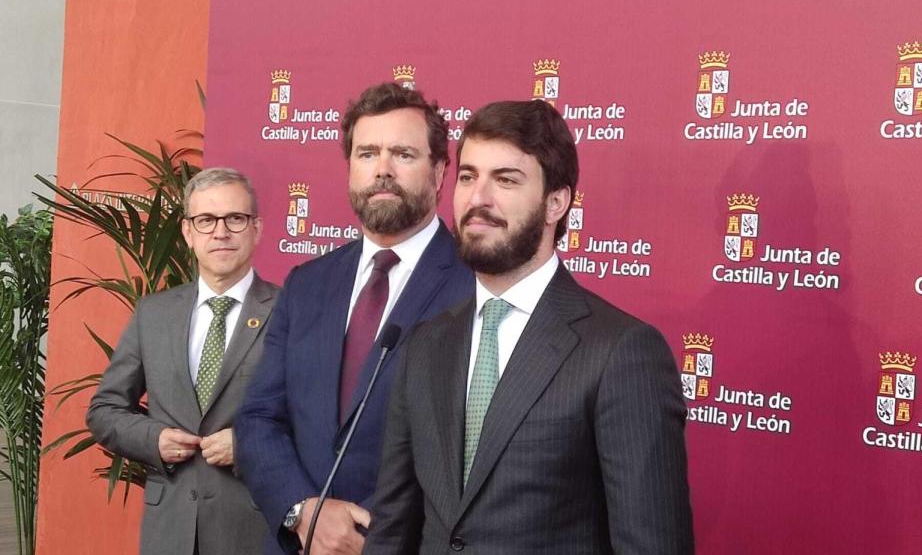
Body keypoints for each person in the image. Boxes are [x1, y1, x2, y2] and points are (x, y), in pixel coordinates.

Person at [365, 100, 694, 554]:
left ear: (555, 203)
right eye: (468, 176)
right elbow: (394, 529)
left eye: (505, 180)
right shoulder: (425, 343)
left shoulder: (621, 352)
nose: (478, 198)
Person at [234, 82, 474, 555]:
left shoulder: (475, 285)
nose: (382, 169)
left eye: (403, 154)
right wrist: (304, 511)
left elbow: (473, 450)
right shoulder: (308, 283)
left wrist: (368, 535)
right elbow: (259, 417)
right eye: (367, 153)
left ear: (441, 170)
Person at [87, 167, 279, 555]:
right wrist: (153, 439)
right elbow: (104, 410)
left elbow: (316, 420)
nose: (220, 232)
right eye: (206, 220)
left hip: (252, 529)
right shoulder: (153, 313)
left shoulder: (291, 310)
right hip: (168, 531)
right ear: (189, 233)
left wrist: (247, 445)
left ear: (256, 228)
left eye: (235, 219)